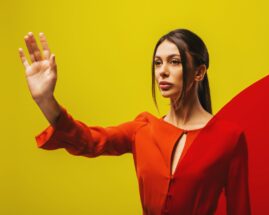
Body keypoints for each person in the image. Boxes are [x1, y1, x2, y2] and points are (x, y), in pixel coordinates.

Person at [18, 29, 251, 215]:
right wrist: (46, 100)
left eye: (175, 62)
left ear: (199, 72)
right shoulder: (142, 129)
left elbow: (240, 210)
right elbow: (88, 140)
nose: (162, 72)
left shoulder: (229, 138)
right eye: (158, 63)